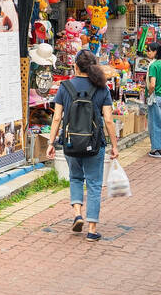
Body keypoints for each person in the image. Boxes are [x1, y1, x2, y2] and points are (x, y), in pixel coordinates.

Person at [47, 50, 119, 242]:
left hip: (70, 143)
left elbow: (56, 118)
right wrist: (114, 145)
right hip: (94, 144)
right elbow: (109, 120)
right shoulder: (101, 88)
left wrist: (51, 142)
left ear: (75, 66)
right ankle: (92, 228)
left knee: (76, 178)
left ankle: (77, 214)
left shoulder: (65, 87)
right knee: (94, 184)